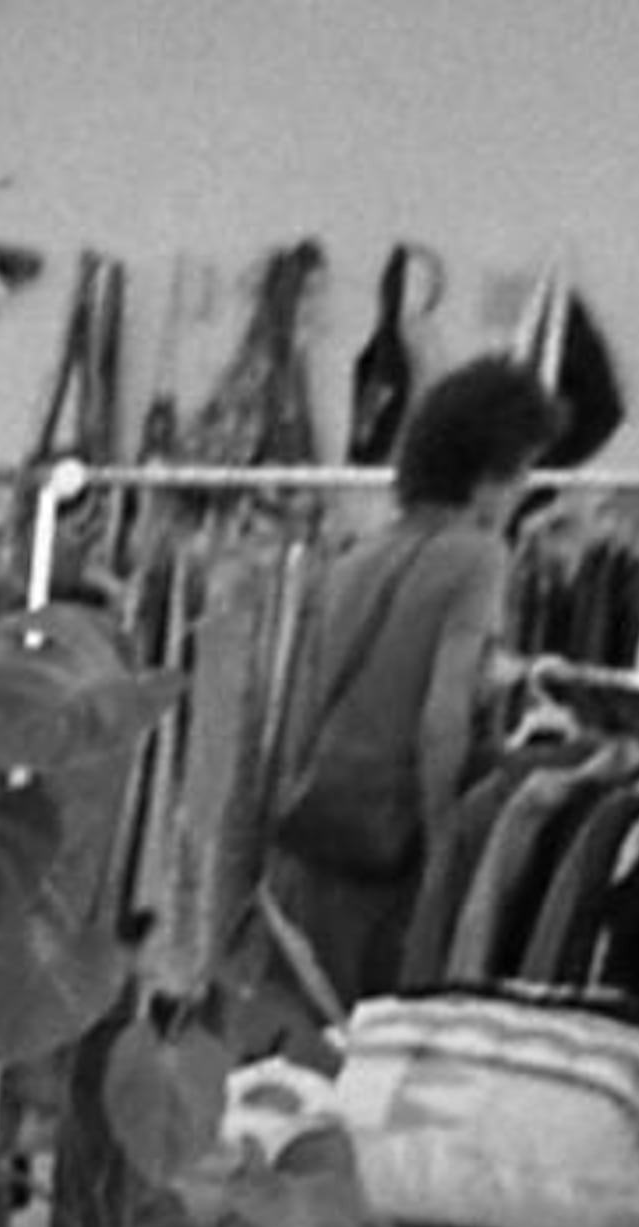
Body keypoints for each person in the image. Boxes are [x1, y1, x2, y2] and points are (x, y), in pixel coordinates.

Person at [261, 354, 557, 1010]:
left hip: (312, 829)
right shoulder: (478, 557)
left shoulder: (360, 555)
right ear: (487, 474)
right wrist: (446, 835)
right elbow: (441, 712)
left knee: (304, 1030)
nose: (518, 496)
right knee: (375, 1037)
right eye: (520, 475)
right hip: (387, 838)